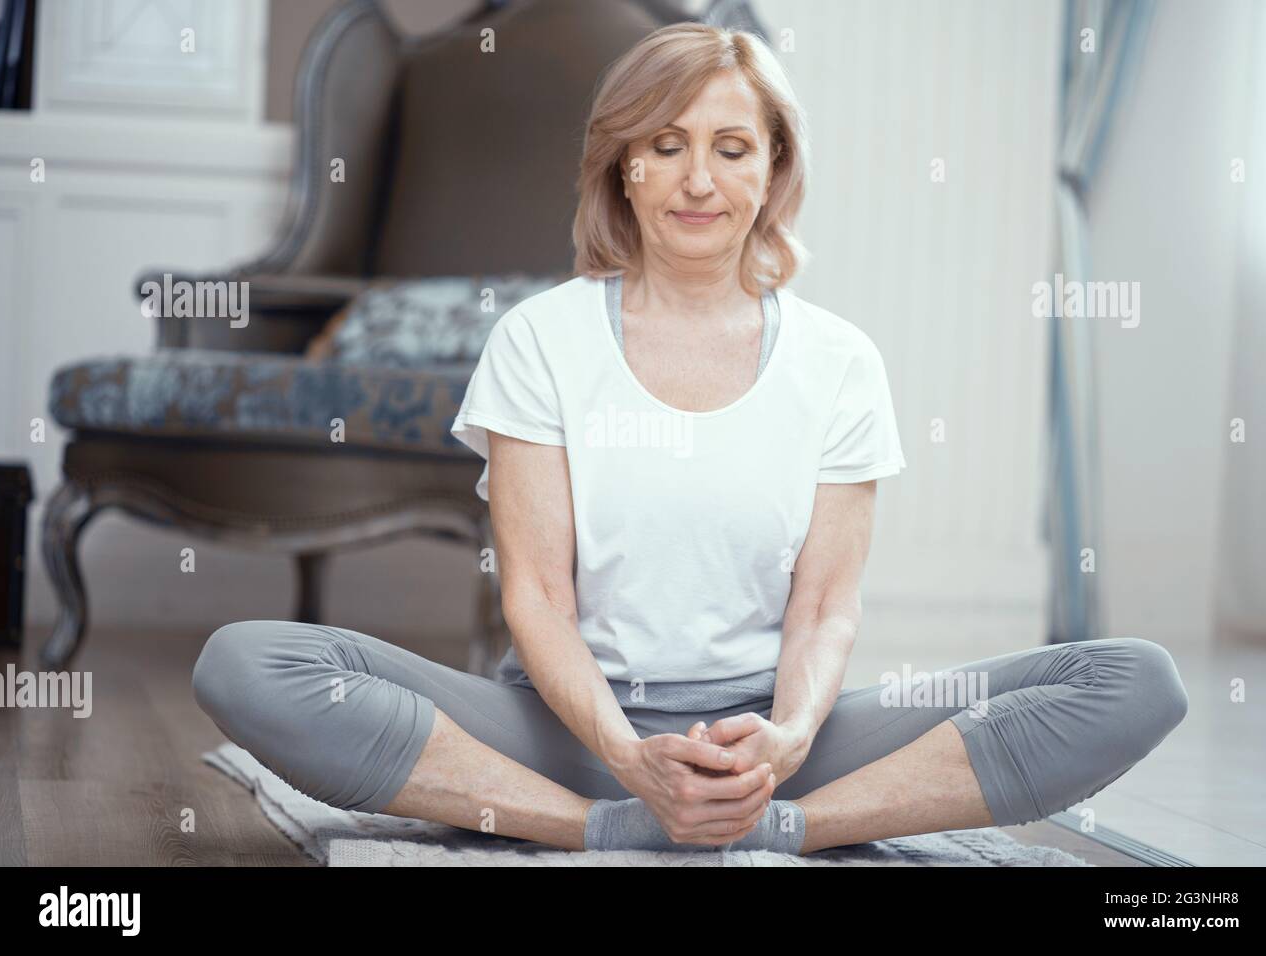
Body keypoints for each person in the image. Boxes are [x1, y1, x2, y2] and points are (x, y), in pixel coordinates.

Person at [192, 23, 1188, 854]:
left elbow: (826, 608)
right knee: (243, 662)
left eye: (731, 146)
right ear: (622, 164)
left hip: (774, 735)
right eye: (664, 143)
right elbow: (535, 595)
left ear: (773, 168)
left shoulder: (838, 361)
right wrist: (629, 760)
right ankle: (605, 826)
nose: (697, 179)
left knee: (1134, 680)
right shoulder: (540, 338)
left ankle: (780, 827)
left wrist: (787, 742)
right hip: (564, 729)